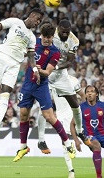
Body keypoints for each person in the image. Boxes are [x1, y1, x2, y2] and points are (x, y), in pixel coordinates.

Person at [13, 23, 76, 162]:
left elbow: (47, 72)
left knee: (49, 116)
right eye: (45, 37)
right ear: (41, 34)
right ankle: (23, 147)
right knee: (23, 115)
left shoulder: (55, 51)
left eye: (49, 37)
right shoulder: (33, 42)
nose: (47, 40)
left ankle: (67, 143)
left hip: (41, 86)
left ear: (53, 36)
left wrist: (39, 70)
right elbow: (24, 55)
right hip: (28, 84)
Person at [37, 19, 85, 153]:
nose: (65, 34)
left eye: (67, 32)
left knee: (75, 102)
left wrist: (55, 67)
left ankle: (80, 131)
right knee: (45, 107)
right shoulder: (50, 35)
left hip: (60, 74)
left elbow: (69, 62)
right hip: (46, 74)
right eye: (63, 32)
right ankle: (41, 140)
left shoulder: (74, 41)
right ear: (58, 29)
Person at [37, 75, 85, 178]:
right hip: (61, 114)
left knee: (84, 135)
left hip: (74, 112)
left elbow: (82, 95)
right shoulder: (50, 80)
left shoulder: (73, 80)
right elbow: (47, 97)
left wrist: (83, 109)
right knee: (64, 139)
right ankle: (71, 170)